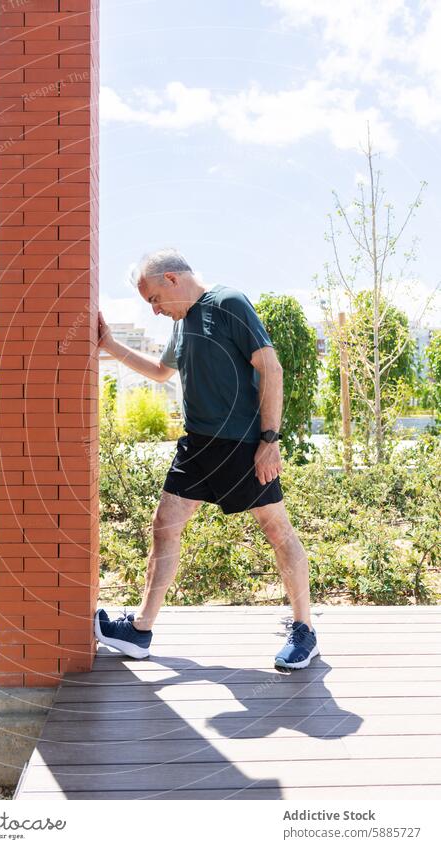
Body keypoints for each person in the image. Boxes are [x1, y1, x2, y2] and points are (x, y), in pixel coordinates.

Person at [94, 248, 319, 670]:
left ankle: (304, 629)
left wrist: (270, 440)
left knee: (278, 533)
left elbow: (270, 368)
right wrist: (108, 344)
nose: (156, 310)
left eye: (155, 299)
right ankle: (140, 630)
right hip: (197, 446)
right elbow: (162, 372)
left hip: (242, 446)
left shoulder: (228, 302)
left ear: (173, 279)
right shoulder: (183, 324)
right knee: (164, 526)